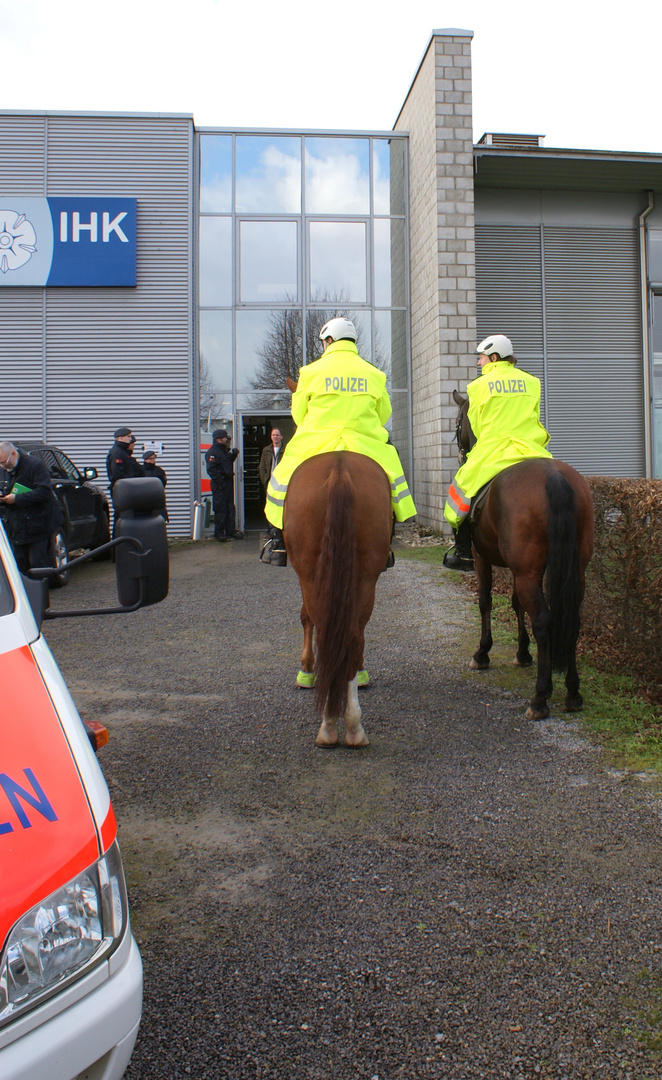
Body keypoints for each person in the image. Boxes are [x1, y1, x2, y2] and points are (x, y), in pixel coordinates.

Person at [262, 317, 417, 567]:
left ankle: (277, 542)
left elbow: (298, 415)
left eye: (323, 343)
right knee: (391, 477)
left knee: (280, 479)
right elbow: (384, 413)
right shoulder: (374, 374)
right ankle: (387, 539)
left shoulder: (310, 372)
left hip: (316, 442)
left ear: (330, 341)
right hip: (363, 443)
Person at [443, 334, 552, 571]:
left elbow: (477, 427)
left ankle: (463, 554)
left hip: (494, 449)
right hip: (531, 448)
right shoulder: (532, 382)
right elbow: (535, 416)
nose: (479, 364)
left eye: (481, 358)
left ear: (494, 357)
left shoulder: (478, 387)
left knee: (460, 491)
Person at [0, 440, 64, 578]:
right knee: (19, 564)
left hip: (38, 525)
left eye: (4, 462)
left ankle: (40, 594)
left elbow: (44, 492)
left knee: (38, 564)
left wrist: (16, 499)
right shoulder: (8, 469)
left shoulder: (35, 465)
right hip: (17, 525)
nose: (3, 466)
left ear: (13, 454)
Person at [205, 429, 243, 542]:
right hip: (219, 485)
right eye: (225, 438)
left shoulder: (222, 450)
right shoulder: (213, 452)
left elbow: (226, 463)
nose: (226, 439)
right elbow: (211, 470)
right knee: (221, 509)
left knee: (230, 508)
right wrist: (221, 483)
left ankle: (231, 531)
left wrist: (234, 455)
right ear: (219, 439)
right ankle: (219, 533)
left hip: (226, 483)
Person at [258, 428, 286, 498]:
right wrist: (264, 480)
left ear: (281, 437)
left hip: (281, 481)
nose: (275, 437)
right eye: (273, 435)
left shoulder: (286, 449)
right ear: (271, 437)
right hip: (269, 481)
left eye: (277, 435)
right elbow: (262, 466)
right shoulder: (266, 450)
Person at [143, 450, 169, 521]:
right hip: (143, 500)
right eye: (150, 459)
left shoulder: (159, 471)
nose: (152, 461)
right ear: (145, 460)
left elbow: (163, 483)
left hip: (157, 499)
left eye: (153, 458)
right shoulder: (140, 470)